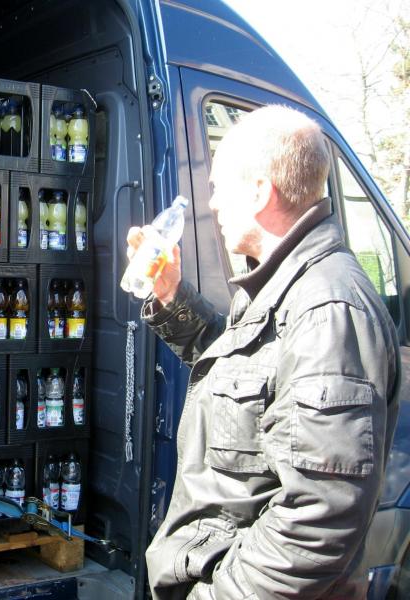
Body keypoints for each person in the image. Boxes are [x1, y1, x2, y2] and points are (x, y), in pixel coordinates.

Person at [128, 105, 400, 598]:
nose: (212, 203)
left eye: (218, 187)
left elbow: (317, 518)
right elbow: (246, 374)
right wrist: (170, 295)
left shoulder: (328, 310)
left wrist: (214, 595)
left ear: (258, 192)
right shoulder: (283, 285)